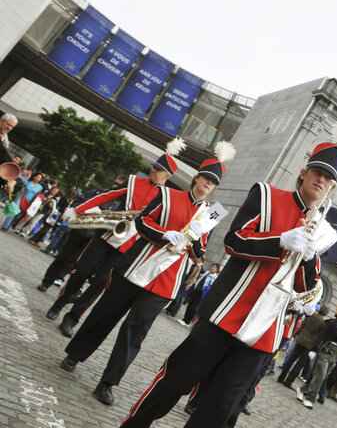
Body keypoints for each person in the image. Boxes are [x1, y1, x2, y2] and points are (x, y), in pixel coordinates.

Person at [120, 114, 337, 428]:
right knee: (175, 381)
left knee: (219, 410)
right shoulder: (266, 194)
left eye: (329, 180)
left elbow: (304, 286)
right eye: (317, 173)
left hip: (263, 332)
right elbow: (234, 240)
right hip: (225, 312)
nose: (322, 181)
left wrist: (310, 257)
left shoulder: (324, 231)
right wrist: (280, 241)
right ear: (303, 173)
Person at [58, 144, 233, 406]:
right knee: (104, 314)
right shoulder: (167, 194)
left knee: (135, 333)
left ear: (215, 188)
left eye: (213, 183)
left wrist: (196, 238)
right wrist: (164, 233)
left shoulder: (209, 214)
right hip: (135, 267)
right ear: (197, 177)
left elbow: (199, 254)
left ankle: (108, 382)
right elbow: (142, 222)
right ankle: (75, 354)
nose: (208, 184)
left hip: (164, 282)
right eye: (206, 178)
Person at [47, 139, 185, 335]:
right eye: (153, 166)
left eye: (158, 169)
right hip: (106, 235)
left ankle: (72, 319)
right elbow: (106, 196)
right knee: (81, 272)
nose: (152, 170)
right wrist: (78, 209)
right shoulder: (134, 181)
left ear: (167, 175)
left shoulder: (167, 196)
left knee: (99, 284)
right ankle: (59, 303)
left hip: (128, 247)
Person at [36, 178, 126, 292]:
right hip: (80, 229)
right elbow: (78, 201)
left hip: (97, 236)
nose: (115, 186)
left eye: (119, 185)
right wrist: (89, 210)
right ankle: (47, 281)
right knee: (64, 256)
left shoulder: (122, 203)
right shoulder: (98, 192)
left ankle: (62, 279)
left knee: (79, 263)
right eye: (115, 183)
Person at [277, 303, 330, 388]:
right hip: (309, 345)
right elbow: (320, 335)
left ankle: (281, 377)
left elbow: (303, 325)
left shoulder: (311, 316)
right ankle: (288, 381)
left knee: (291, 360)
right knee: (299, 364)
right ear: (326, 313)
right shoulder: (323, 323)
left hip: (301, 340)